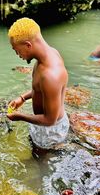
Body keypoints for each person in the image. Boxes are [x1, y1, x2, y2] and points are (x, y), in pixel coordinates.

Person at [6, 17, 70, 153]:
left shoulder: (50, 75)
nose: (17, 55)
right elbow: (40, 89)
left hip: (50, 131)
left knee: (39, 162)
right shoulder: (49, 55)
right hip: (43, 123)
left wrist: (20, 116)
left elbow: (50, 120)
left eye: (16, 50)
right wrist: (23, 97)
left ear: (28, 45)